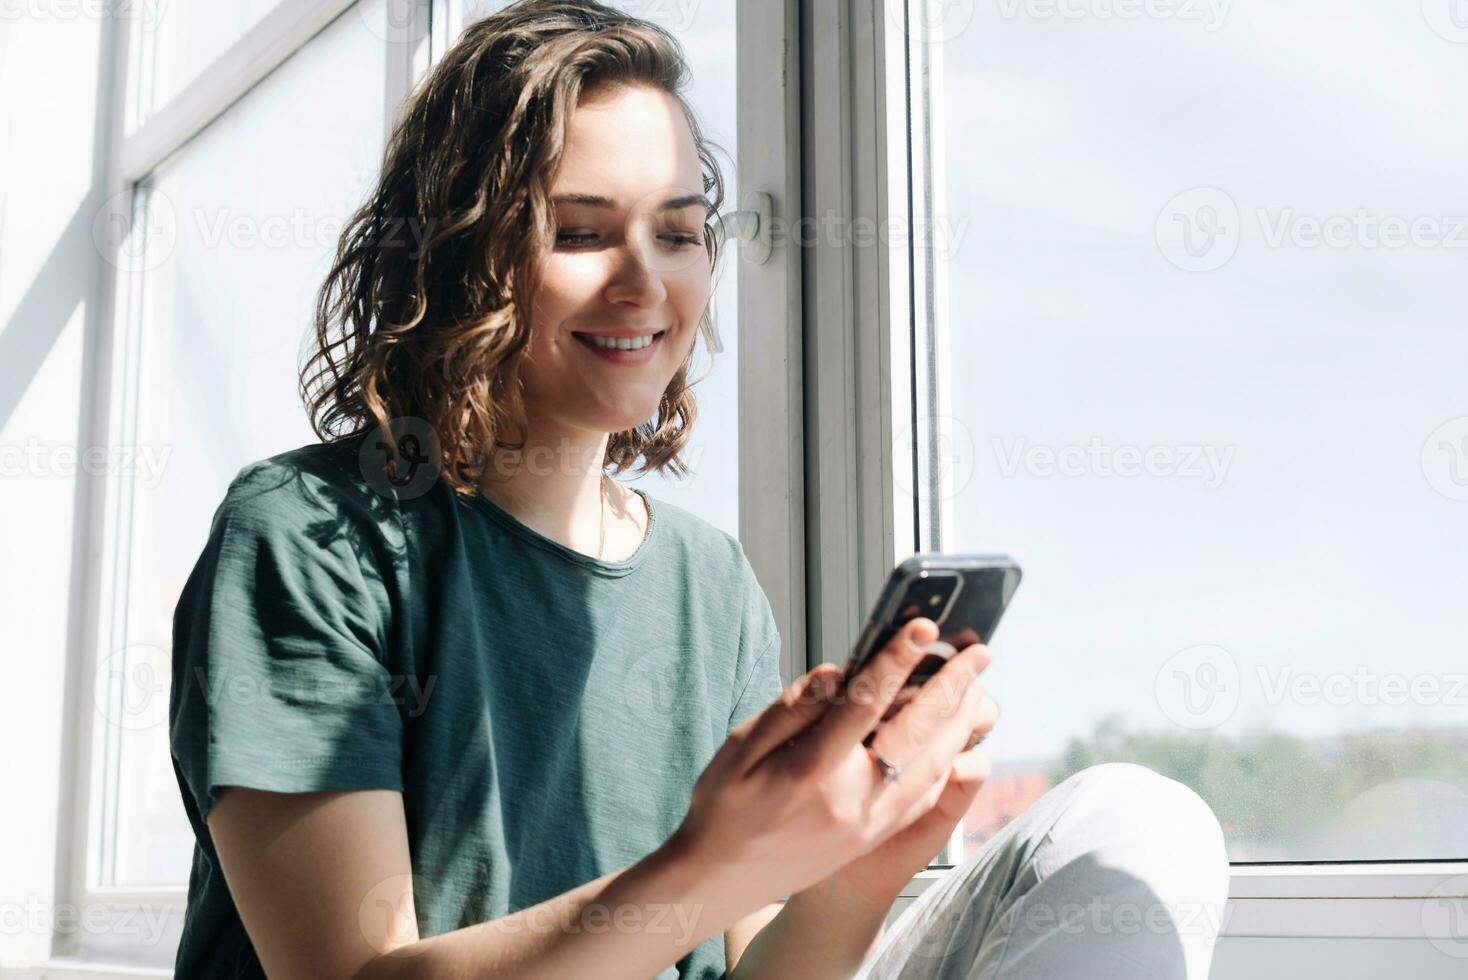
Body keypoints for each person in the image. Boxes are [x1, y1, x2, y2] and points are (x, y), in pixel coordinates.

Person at [167, 2, 1229, 977]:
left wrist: (859, 858)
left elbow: (753, 962)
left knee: (1134, 821)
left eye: (677, 232)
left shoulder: (707, 580)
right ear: (461, 254)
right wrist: (708, 864)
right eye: (581, 232)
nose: (647, 281)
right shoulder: (309, 537)